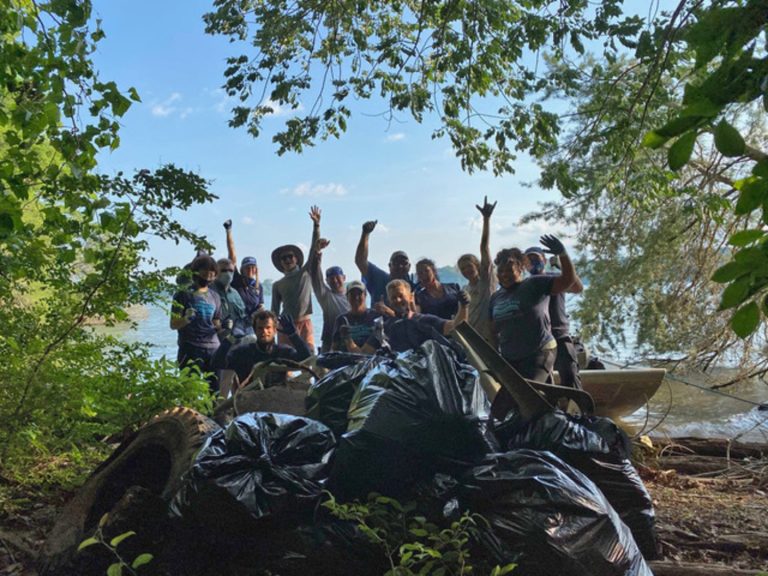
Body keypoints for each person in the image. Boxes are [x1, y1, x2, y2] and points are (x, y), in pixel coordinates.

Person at [488, 235, 577, 414]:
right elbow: (493, 330)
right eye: (501, 271)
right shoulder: (496, 297)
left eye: (509, 270)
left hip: (539, 352)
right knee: (500, 408)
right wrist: (495, 359)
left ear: (520, 269)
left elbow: (568, 280)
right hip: (511, 357)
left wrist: (563, 254)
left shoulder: (535, 284)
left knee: (524, 397)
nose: (504, 274)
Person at [525, 246, 584, 389]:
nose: (533, 262)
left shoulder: (556, 278)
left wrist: (561, 264)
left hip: (559, 335)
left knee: (570, 376)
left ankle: (578, 407)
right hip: (537, 342)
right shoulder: (524, 285)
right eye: (529, 260)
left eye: (536, 258)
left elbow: (577, 287)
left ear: (544, 260)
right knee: (541, 383)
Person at [361, 279, 469, 353]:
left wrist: (463, 306)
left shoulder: (423, 320)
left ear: (409, 296)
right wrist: (348, 340)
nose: (398, 300)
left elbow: (455, 327)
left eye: (401, 296)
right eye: (394, 298)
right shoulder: (384, 329)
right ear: (389, 301)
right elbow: (363, 353)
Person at [270, 206, 320, 352]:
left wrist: (316, 226)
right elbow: (274, 311)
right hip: (285, 325)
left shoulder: (305, 272)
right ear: (280, 263)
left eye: (290, 256)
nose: (287, 260)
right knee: (286, 362)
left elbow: (314, 248)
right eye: (283, 258)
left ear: (296, 259)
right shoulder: (277, 285)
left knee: (310, 357)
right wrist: (271, 333)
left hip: (305, 322)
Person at [170, 255, 222, 392]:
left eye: (213, 271)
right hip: (190, 348)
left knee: (214, 392)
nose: (209, 274)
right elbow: (173, 324)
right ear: (196, 271)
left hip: (213, 349)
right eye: (205, 270)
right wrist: (186, 319)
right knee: (188, 390)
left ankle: (213, 414)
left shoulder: (215, 296)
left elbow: (216, 323)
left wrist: (224, 326)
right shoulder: (183, 294)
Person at [225, 310, 311, 388]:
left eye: (268, 328)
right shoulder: (243, 352)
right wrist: (229, 339)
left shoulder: (282, 352)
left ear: (275, 330)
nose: (264, 332)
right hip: (249, 399)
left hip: (276, 398)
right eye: (260, 328)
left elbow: (306, 358)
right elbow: (218, 363)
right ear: (254, 330)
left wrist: (293, 335)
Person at [306, 207, 350, 352]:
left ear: (344, 278)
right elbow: (314, 273)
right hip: (330, 343)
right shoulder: (326, 296)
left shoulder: (354, 295)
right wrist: (317, 252)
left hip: (352, 343)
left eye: (338, 278)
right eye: (330, 279)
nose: (335, 281)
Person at [457, 196, 497, 342]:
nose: (466, 270)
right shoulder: (465, 289)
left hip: (489, 338)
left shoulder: (486, 282)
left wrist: (486, 219)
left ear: (477, 265)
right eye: (462, 269)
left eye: (469, 266)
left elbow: (484, 247)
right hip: (472, 339)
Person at [354, 219, 416, 312]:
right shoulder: (379, 278)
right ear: (389, 266)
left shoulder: (415, 288)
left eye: (404, 263)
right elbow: (360, 261)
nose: (400, 266)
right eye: (396, 263)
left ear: (409, 266)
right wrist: (365, 234)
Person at [224, 219, 264, 317]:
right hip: (235, 322)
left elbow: (261, 305)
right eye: (247, 267)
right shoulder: (236, 279)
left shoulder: (259, 286)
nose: (250, 269)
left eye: (252, 267)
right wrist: (228, 231)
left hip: (251, 324)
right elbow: (232, 256)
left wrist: (256, 313)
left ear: (256, 270)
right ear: (242, 270)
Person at [331, 280, 381, 352]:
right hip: (346, 360)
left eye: (359, 294)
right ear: (347, 296)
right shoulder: (341, 319)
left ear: (365, 295)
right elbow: (334, 348)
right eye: (352, 294)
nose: (356, 297)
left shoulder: (376, 316)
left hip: (371, 359)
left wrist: (387, 311)